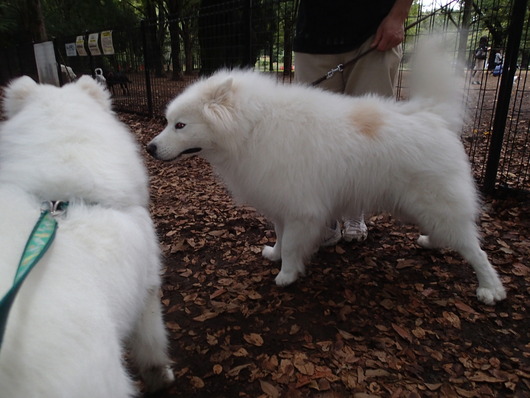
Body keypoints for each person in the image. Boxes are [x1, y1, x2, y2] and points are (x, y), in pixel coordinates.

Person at [293, 0, 413, 246]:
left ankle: (354, 212)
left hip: (374, 34)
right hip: (312, 37)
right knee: (312, 137)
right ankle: (324, 217)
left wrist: (398, 16)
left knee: (368, 134)